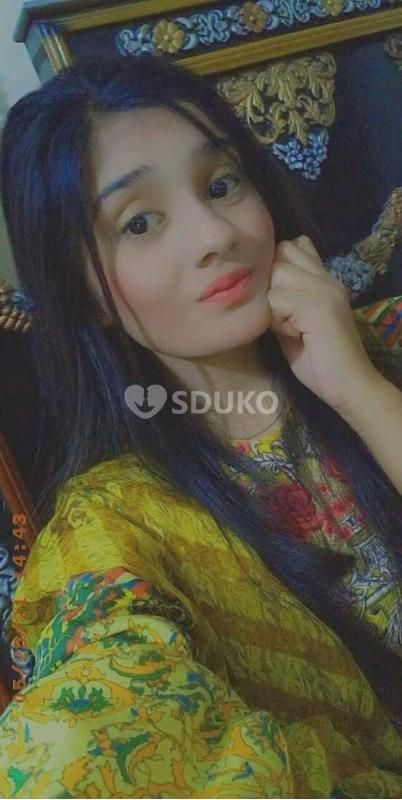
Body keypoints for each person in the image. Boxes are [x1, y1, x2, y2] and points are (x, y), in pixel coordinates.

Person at [0, 53, 401, 798]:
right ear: (84, 294)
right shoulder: (115, 526)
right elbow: (93, 736)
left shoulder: (387, 344)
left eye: (221, 184)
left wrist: (362, 393)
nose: (215, 232)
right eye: (140, 222)